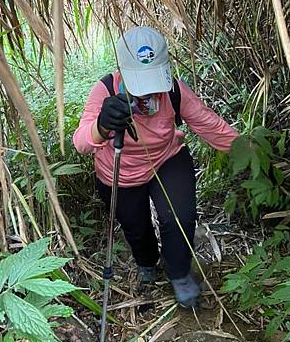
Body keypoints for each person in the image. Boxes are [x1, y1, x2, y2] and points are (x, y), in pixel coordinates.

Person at [73, 27, 238, 307]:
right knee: (136, 228)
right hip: (120, 173)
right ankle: (146, 262)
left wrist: (248, 149)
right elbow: (81, 142)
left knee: (179, 217)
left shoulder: (174, 90)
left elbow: (208, 124)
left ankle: (179, 272)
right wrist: (102, 126)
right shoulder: (105, 90)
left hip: (166, 159)